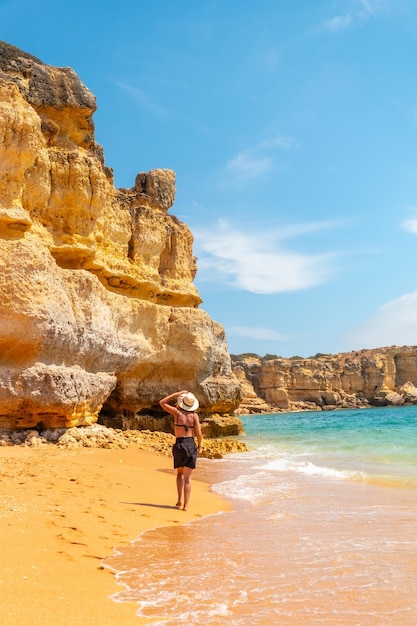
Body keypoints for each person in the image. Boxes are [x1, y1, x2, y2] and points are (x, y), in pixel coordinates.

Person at [159, 390, 202, 511]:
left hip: (179, 444)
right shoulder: (194, 416)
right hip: (190, 444)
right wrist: (199, 445)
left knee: (179, 474)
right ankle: (186, 506)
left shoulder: (177, 413)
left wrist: (176, 394)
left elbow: (162, 402)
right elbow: (198, 433)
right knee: (188, 478)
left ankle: (179, 499)